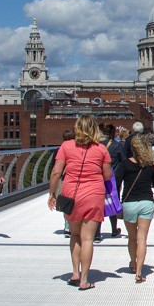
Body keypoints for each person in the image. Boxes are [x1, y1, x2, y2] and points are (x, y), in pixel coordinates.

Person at [51, 116, 110, 291]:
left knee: (75, 236)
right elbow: (107, 175)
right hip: (93, 195)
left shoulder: (66, 146)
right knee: (88, 239)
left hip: (71, 195)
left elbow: (56, 172)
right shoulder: (101, 149)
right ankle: (84, 280)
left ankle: (75, 273)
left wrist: (51, 194)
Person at [121, 138, 154, 284]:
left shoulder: (125, 164)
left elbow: (117, 182)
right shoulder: (150, 165)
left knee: (132, 237)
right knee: (142, 238)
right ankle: (139, 272)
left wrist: (118, 202)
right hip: (146, 202)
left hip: (129, 203)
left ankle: (133, 262)